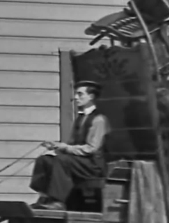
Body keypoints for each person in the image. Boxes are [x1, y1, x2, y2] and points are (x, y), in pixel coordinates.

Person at [29, 81, 111, 210]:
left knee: (62, 161)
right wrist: (56, 147)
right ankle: (44, 196)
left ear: (91, 97)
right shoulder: (80, 118)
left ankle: (58, 201)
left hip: (93, 166)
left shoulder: (99, 120)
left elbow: (91, 148)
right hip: (78, 162)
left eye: (80, 94)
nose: (76, 98)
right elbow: (72, 144)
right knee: (44, 160)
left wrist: (65, 148)